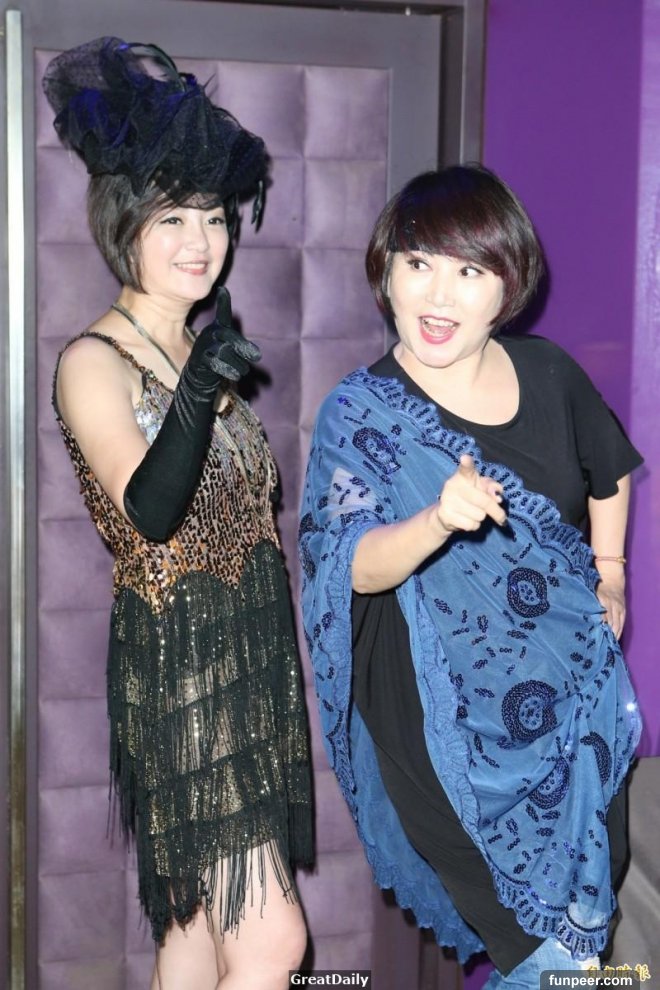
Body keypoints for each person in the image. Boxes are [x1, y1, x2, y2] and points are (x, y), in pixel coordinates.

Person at [299, 165, 642, 989]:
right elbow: (348, 563)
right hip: (445, 735)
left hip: (573, 709)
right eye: (418, 263)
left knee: (579, 946)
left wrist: (611, 575)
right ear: (386, 272)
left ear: (506, 287)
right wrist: (436, 520)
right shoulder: (363, 412)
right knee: (553, 956)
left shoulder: (549, 374)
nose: (438, 294)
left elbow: (610, 469)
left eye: (469, 270)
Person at [44, 37, 313, 990]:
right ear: (124, 223)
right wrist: (199, 389)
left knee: (196, 943)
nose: (201, 240)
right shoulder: (93, 361)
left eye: (213, 218)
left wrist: (203, 379)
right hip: (181, 668)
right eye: (172, 219)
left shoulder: (200, 353)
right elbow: (150, 514)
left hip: (245, 666)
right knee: (273, 945)